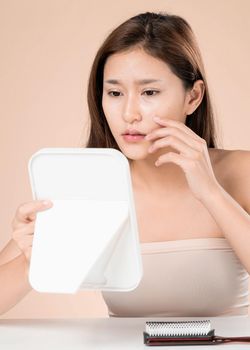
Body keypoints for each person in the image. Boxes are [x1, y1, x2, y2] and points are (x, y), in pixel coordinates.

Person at [1, 11, 250, 317]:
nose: (130, 113)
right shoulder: (86, 186)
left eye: (149, 92)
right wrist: (32, 261)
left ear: (193, 97)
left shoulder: (241, 171)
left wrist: (211, 193)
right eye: (115, 93)